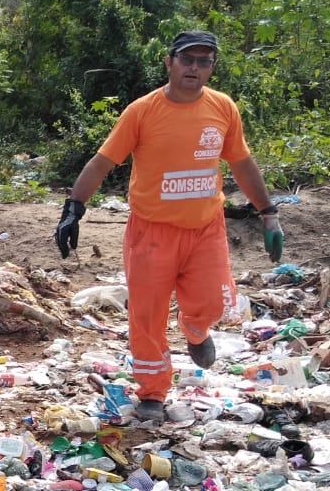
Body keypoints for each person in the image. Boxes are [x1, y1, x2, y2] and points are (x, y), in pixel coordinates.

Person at [54, 29, 284, 423]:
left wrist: (268, 212)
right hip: (151, 233)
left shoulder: (223, 108)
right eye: (187, 60)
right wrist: (74, 206)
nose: (195, 68)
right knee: (147, 317)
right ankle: (153, 391)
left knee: (214, 302)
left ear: (211, 67)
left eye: (204, 61)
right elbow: (103, 161)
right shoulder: (142, 111)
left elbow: (241, 163)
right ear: (170, 62)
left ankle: (195, 329)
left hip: (205, 228)